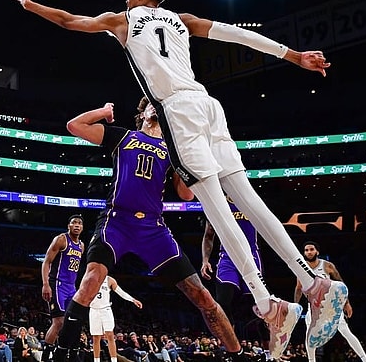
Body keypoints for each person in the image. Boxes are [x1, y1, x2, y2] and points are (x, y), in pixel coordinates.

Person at [8, 0, 348, 359]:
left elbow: (70, 20)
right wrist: (293, 55)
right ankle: (312, 283)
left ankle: (269, 306)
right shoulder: (182, 20)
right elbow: (238, 34)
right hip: (208, 106)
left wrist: (30, 3)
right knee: (249, 203)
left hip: (179, 113)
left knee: (219, 214)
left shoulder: (123, 19)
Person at [35, 98, 237, 362]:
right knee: (89, 281)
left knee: (202, 294)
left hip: (152, 228)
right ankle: (62, 354)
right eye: (152, 103)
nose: (157, 107)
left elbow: (186, 195)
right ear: (142, 113)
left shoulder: (173, 150)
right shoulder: (123, 137)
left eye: (161, 106)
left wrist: (191, 159)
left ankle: (239, 354)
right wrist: (104, 112)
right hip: (116, 221)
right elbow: (75, 125)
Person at [294, 242, 366, 362]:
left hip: (331, 306)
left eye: (311, 249)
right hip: (313, 307)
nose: (309, 252)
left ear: (317, 252)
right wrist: (296, 306)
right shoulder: (302, 268)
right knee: (310, 336)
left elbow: (341, 284)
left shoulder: (327, 265)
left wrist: (347, 303)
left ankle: (365, 359)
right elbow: (298, 288)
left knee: (346, 331)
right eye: (306, 250)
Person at [200, 205, 258, 324]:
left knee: (255, 305)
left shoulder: (248, 200)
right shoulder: (216, 205)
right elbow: (209, 235)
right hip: (227, 256)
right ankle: (228, 339)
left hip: (251, 255)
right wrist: (205, 260)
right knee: (223, 301)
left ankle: (265, 341)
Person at [41, 215, 84, 362]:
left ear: (82, 227)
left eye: (79, 223)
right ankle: (45, 357)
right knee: (58, 322)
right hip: (57, 284)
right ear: (69, 226)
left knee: (71, 322)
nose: (77, 225)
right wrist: (46, 284)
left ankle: (65, 354)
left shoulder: (82, 246)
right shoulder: (61, 239)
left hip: (72, 287)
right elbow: (46, 262)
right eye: (74, 223)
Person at [89, 276, 142, 362]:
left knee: (110, 335)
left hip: (106, 309)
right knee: (96, 337)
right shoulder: (90, 276)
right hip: (93, 309)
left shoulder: (109, 280)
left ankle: (114, 360)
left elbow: (121, 292)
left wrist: (133, 300)